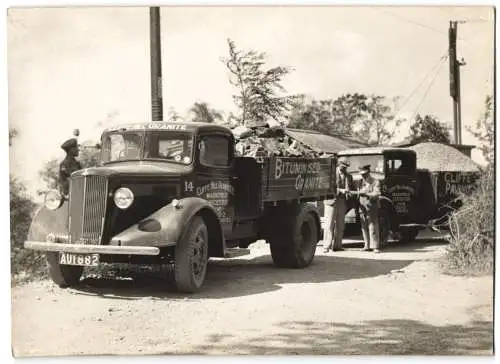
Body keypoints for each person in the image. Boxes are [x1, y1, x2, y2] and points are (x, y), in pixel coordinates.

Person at [323, 157, 354, 253]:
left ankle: (337, 245)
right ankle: (326, 246)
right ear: (339, 164)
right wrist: (341, 190)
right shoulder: (331, 174)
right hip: (331, 201)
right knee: (329, 225)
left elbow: (351, 187)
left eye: (346, 167)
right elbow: (328, 188)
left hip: (342, 202)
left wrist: (349, 193)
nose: (345, 168)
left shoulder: (349, 176)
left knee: (340, 225)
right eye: (343, 166)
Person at [357, 164, 382, 253]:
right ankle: (366, 245)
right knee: (364, 227)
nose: (363, 175)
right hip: (362, 206)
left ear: (368, 172)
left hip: (372, 206)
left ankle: (375, 246)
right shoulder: (360, 182)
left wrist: (366, 194)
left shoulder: (375, 181)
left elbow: (377, 193)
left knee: (373, 227)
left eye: (364, 174)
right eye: (361, 174)